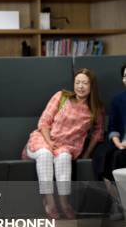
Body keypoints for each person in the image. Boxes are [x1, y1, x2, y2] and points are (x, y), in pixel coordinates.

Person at [23, 69, 104, 219]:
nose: (80, 86)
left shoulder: (96, 108)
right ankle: (49, 201)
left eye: (85, 83)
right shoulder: (61, 97)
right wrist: (49, 142)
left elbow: (98, 132)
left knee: (64, 157)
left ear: (92, 86)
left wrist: (87, 154)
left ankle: (64, 202)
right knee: (45, 154)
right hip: (43, 139)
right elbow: (44, 122)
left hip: (66, 146)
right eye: (77, 82)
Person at [92, 64, 126, 220]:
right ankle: (117, 202)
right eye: (125, 76)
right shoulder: (118, 100)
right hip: (121, 141)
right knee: (103, 155)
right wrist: (118, 142)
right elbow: (113, 126)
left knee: (119, 157)